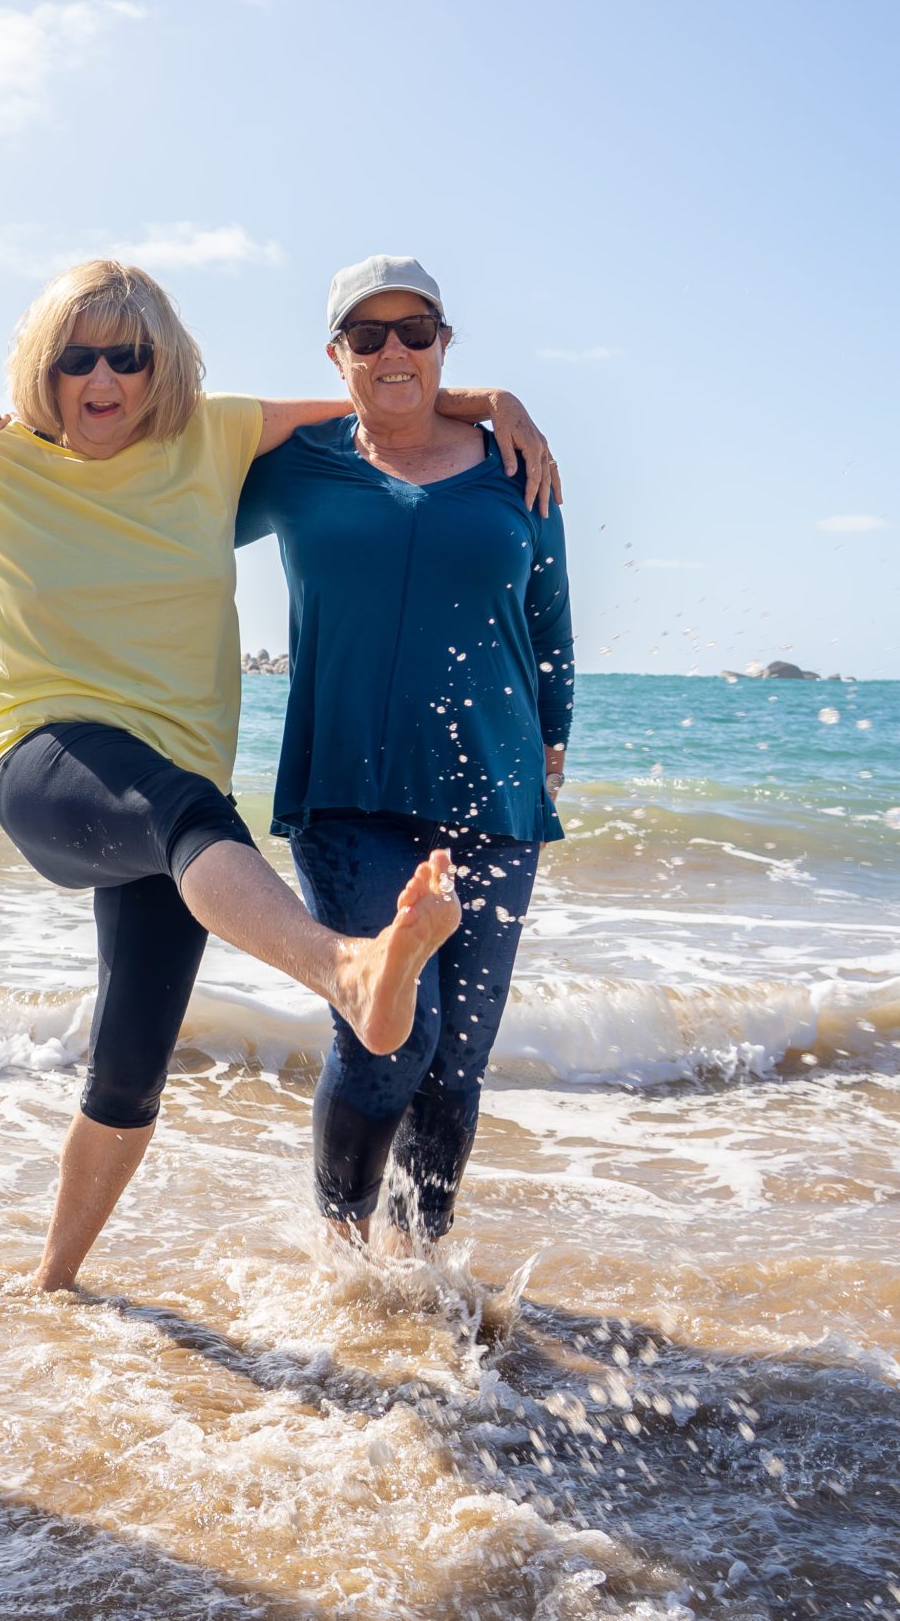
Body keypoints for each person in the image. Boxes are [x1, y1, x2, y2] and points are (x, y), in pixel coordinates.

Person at [0, 259, 560, 1291]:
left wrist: (494, 401)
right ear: (44, 367)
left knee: (130, 1068)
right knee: (187, 812)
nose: (103, 377)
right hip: (50, 762)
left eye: (126, 357)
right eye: (77, 356)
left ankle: (52, 1283)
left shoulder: (210, 440)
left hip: (182, 830)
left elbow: (384, 392)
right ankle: (343, 969)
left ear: (157, 367)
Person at [236, 255, 575, 1247]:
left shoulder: (517, 464)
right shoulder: (300, 467)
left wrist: (553, 738)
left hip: (496, 793)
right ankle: (340, 1253)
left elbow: (550, 624)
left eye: (415, 332)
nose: (394, 351)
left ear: (443, 341)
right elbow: (175, 488)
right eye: (368, 335)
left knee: (457, 1056)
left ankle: (417, 1262)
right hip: (348, 792)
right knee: (390, 1033)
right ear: (334, 353)